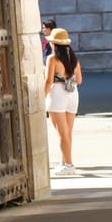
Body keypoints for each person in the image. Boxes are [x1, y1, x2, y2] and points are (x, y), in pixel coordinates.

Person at [44, 28, 82, 175]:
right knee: (67, 132)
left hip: (57, 94)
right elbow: (79, 80)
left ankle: (69, 164)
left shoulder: (52, 59)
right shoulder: (74, 58)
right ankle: (64, 162)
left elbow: (48, 81)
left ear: (54, 43)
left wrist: (42, 97)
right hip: (73, 93)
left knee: (61, 132)